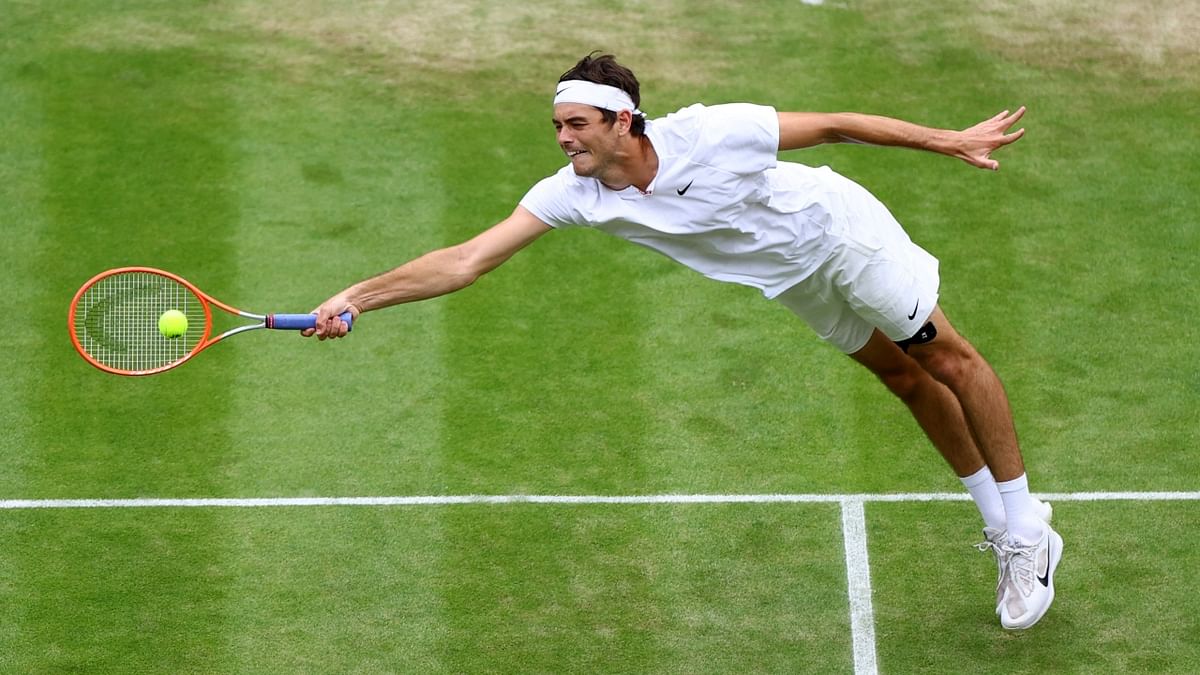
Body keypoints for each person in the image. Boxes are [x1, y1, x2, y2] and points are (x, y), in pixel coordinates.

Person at [303, 53, 1062, 630]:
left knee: (944, 358)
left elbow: (835, 126)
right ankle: (1002, 527)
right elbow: (466, 259)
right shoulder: (571, 195)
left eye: (577, 125)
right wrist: (355, 297)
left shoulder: (714, 131)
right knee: (902, 381)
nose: (563, 138)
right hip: (789, 276)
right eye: (559, 126)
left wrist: (949, 140)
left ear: (622, 122)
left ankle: (1026, 529)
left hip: (842, 236)